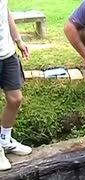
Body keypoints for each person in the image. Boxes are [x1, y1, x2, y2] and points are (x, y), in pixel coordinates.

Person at [0, 0, 32, 171]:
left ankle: (4, 139)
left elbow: (5, 11)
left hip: (7, 53)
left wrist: (18, 40)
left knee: (15, 98)